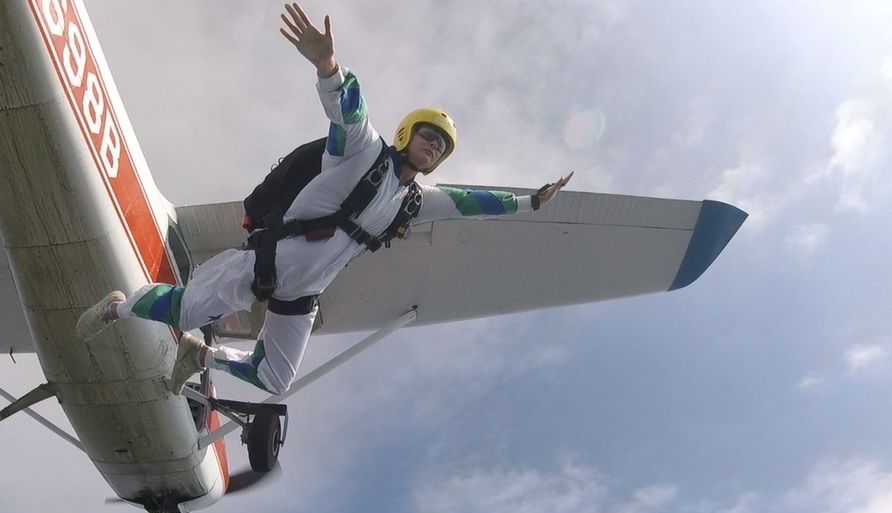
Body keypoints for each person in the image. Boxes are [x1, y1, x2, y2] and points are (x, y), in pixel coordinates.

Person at [77, 3, 573, 396]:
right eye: (429, 136)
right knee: (185, 310)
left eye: (441, 147)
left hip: (303, 295)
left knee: (275, 380)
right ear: (407, 133)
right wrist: (328, 65)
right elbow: (348, 110)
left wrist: (529, 203)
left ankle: (200, 356)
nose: (434, 147)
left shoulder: (417, 201)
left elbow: (470, 202)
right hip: (267, 262)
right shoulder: (363, 149)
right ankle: (119, 308)